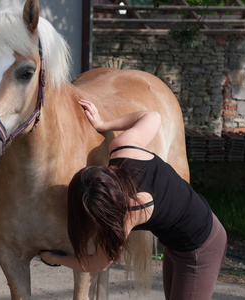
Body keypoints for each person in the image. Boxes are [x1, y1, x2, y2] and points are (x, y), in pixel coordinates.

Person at [39, 99, 227, 300]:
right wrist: (103, 125)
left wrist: (55, 258)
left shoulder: (132, 208)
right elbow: (152, 116)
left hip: (201, 248)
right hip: (177, 242)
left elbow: (99, 263)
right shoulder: (123, 149)